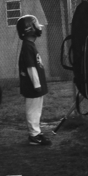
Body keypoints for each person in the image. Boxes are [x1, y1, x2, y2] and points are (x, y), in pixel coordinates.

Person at [16, 14, 51, 146]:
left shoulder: (30, 45)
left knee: (37, 110)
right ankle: (33, 136)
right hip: (32, 86)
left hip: (35, 85)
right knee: (33, 110)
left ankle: (36, 132)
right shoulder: (27, 46)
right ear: (29, 29)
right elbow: (30, 67)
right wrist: (36, 84)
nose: (38, 28)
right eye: (35, 26)